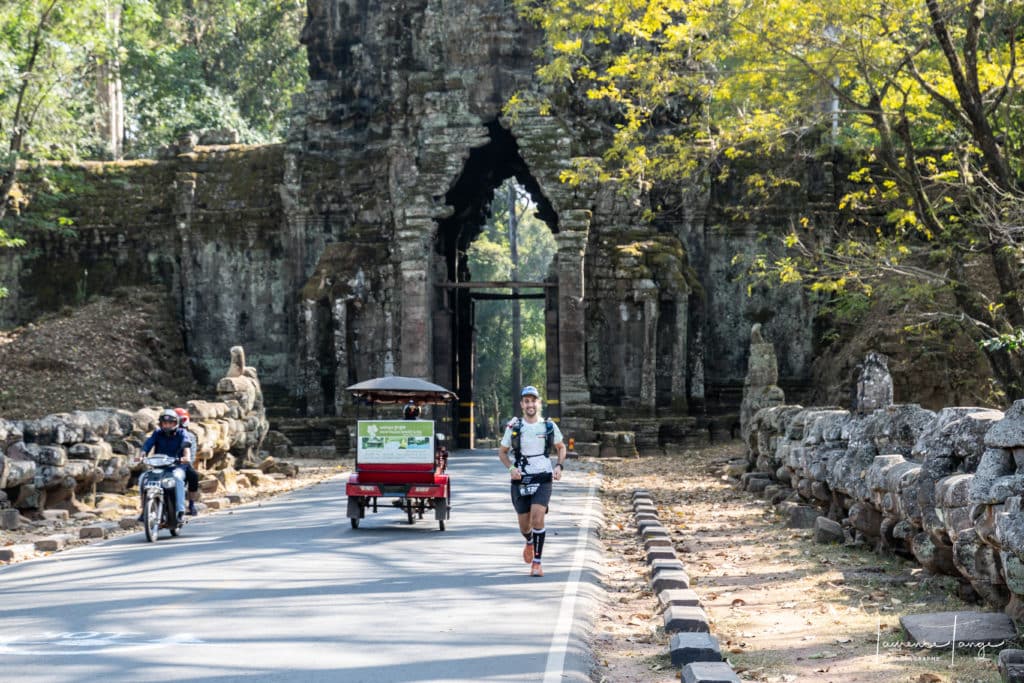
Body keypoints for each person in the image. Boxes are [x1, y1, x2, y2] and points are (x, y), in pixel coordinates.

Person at [497, 385, 567, 577]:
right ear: (522, 404)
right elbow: (502, 452)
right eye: (526, 401)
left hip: (543, 476)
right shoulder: (514, 427)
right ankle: (529, 540)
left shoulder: (548, 426)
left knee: (538, 518)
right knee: (524, 525)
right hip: (521, 479)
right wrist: (511, 468)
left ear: (539, 403)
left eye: (533, 400)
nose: (530, 404)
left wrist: (559, 466)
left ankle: (537, 563)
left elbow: (561, 447)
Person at [139, 408, 192, 523]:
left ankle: (180, 512)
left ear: (176, 423)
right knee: (142, 478)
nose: (167, 425)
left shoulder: (182, 433)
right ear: (161, 423)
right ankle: (144, 510)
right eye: (164, 423)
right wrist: (142, 455)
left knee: (177, 478)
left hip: (176, 466)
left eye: (170, 423)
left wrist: (186, 457)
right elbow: (148, 444)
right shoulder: (157, 433)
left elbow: (186, 445)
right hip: (159, 467)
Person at [174, 407, 200, 515]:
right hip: (165, 462)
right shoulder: (163, 435)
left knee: (193, 476)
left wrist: (184, 460)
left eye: (181, 420)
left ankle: (191, 504)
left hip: (183, 463)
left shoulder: (190, 436)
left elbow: (191, 455)